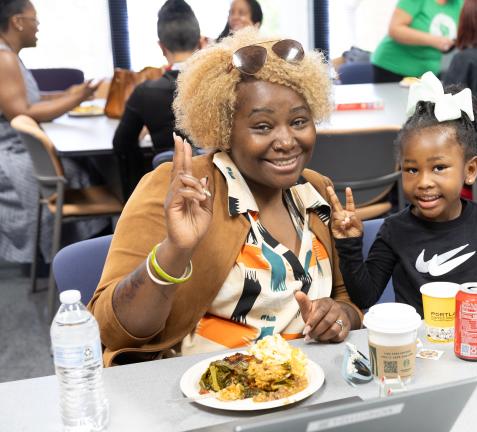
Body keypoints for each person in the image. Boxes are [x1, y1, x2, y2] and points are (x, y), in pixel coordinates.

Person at [88, 28, 363, 366]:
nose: (287, 140)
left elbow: (347, 299)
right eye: (263, 126)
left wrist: (339, 317)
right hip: (205, 392)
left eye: (299, 121)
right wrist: (175, 251)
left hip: (309, 383)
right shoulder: (178, 189)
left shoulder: (316, 191)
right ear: (223, 129)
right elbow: (111, 330)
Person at [330, 72, 477, 316]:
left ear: (470, 170)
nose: (424, 182)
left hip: (470, 341)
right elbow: (366, 296)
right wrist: (349, 245)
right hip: (416, 347)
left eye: (439, 168)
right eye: (412, 169)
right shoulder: (395, 230)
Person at [0, 0, 106, 265]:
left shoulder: (10, 56)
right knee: (84, 169)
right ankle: (87, 255)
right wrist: (74, 99)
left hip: (19, 146)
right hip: (13, 153)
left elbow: (30, 98)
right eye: (34, 20)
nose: (38, 27)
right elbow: (21, 111)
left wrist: (67, 94)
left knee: (88, 164)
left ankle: (86, 250)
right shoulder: (3, 58)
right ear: (17, 21)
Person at [112, 0, 201, 201]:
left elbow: (121, 144)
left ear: (162, 47)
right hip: (220, 190)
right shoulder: (219, 86)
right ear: (199, 42)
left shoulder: (145, 93)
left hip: (164, 194)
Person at [371, 0, 463, 83]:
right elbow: (395, 29)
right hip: (392, 68)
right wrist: (435, 40)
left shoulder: (460, 3)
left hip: (428, 74)